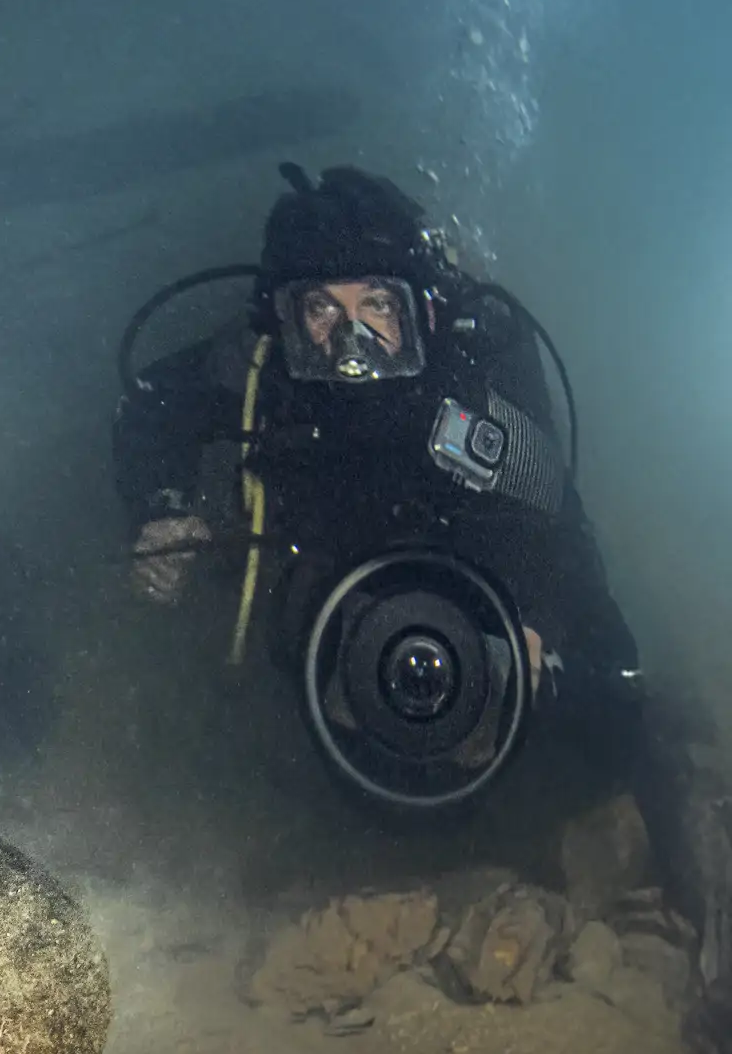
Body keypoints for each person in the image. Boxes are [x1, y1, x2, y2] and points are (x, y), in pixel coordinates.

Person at [113, 165, 640, 735]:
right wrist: (162, 508)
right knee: (351, 746)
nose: (351, 341)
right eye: (321, 309)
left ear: (423, 310)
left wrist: (542, 637)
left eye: (378, 305)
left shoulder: (478, 371)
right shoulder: (270, 366)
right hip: (339, 603)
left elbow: (558, 536)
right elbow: (152, 406)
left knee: (609, 717)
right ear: (287, 318)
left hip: (479, 577)